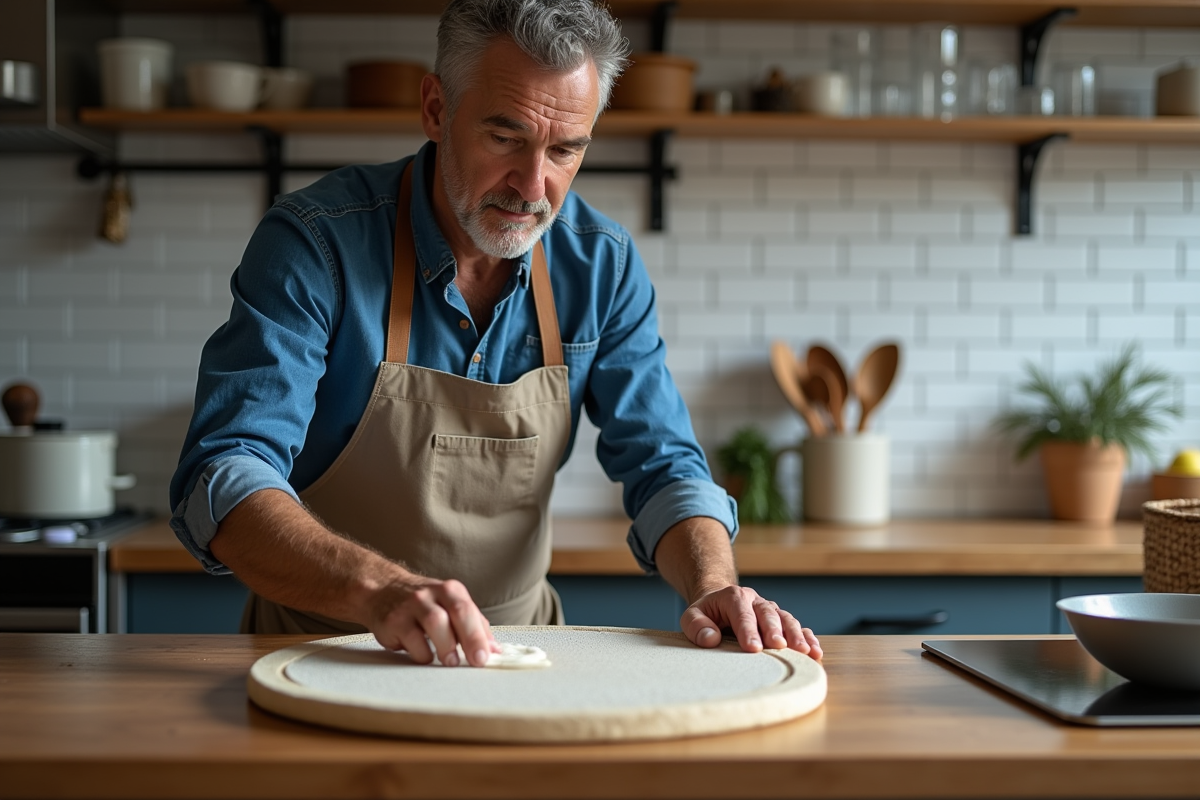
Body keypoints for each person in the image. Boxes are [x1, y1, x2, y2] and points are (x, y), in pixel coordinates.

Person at [169, 0, 822, 667]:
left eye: (565, 150)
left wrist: (713, 585)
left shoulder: (601, 265)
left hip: (519, 658)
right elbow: (224, 474)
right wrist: (380, 591)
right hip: (321, 653)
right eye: (506, 139)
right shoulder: (315, 244)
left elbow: (664, 468)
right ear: (436, 109)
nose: (533, 186)